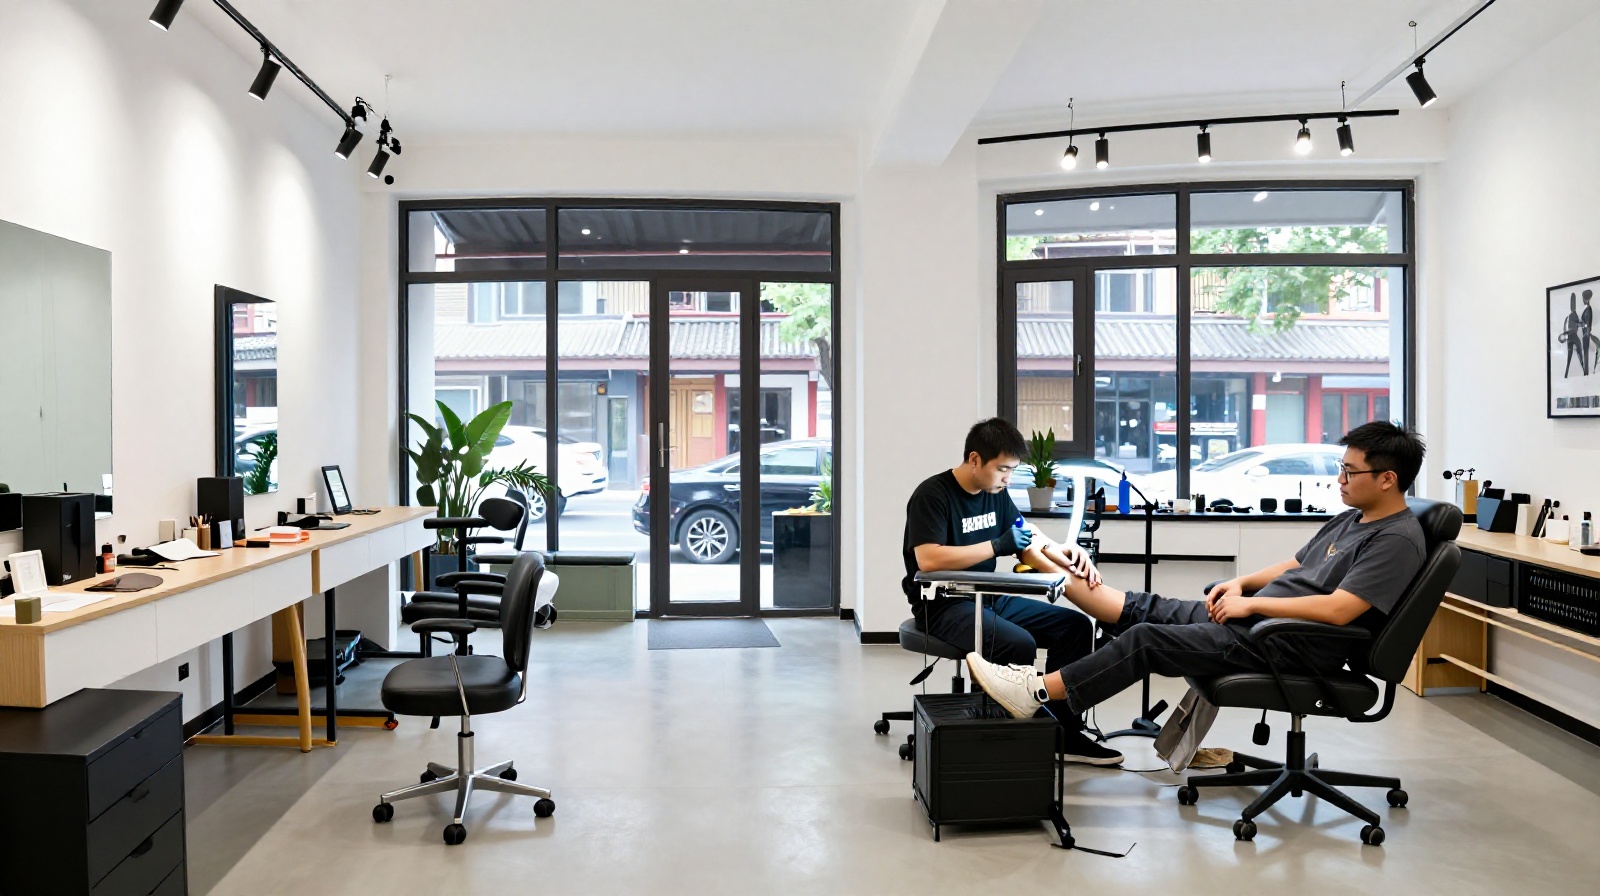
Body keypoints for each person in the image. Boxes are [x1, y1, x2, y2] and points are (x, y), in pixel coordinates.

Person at [962, 421, 1429, 727]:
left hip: (1288, 641)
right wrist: (1242, 583)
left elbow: (1340, 609)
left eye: (1349, 472)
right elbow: (1297, 564)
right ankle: (1053, 713)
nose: (1340, 479)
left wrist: (1253, 603)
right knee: (1145, 607)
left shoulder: (1397, 539)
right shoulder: (1354, 517)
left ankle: (1035, 692)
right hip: (1258, 623)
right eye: (1340, 470)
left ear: (1387, 478)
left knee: (1145, 638)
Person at [902, 417, 1122, 765]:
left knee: (1075, 628)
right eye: (1002, 469)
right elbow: (928, 560)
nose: (1007, 478)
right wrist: (996, 545)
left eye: (1012, 471)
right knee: (1018, 643)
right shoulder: (933, 495)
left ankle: (1063, 732)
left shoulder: (997, 495)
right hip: (944, 606)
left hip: (988, 597)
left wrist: (1065, 549)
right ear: (975, 459)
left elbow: (1024, 533)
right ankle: (1005, 737)